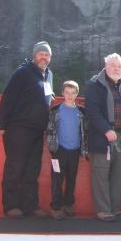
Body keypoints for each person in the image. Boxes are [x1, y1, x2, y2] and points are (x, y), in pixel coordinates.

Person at [0, 41, 54, 218]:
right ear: (34, 55)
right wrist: (1, 125)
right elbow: (8, 98)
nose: (44, 57)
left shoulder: (49, 74)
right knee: (15, 167)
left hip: (38, 131)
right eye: (41, 54)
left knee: (32, 170)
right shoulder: (22, 72)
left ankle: (30, 206)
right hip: (18, 129)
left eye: (47, 55)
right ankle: (11, 206)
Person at [84, 53, 121, 222]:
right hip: (103, 137)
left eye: (119, 66)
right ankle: (103, 210)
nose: (116, 69)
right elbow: (92, 111)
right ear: (105, 66)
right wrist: (106, 129)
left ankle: (115, 208)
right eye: (113, 65)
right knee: (101, 174)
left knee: (120, 174)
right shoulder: (95, 85)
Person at [46, 80, 88, 220]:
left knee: (71, 179)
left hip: (75, 151)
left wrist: (84, 148)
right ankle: (56, 208)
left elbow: (85, 131)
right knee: (57, 180)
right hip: (59, 150)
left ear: (77, 94)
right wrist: (52, 148)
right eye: (67, 93)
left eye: (73, 93)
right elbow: (50, 130)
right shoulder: (55, 110)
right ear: (62, 93)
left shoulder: (82, 112)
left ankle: (68, 205)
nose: (70, 96)